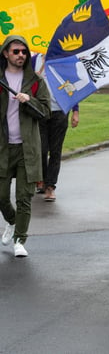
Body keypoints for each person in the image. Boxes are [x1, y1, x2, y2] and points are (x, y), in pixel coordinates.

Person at [0, 35, 51, 258]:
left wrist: (28, 100)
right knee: (1, 196)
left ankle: (20, 239)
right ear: (5, 53)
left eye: (24, 52)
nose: (21, 55)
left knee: (24, 197)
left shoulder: (35, 80)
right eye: (16, 51)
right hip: (3, 148)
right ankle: (11, 221)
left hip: (27, 148)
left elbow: (46, 111)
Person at [33, 54, 79, 202]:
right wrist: (40, 70)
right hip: (40, 110)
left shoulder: (63, 59)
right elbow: (28, 83)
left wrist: (75, 111)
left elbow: (72, 86)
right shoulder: (34, 60)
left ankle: (50, 186)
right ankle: (42, 180)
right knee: (40, 149)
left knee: (55, 150)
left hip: (60, 111)